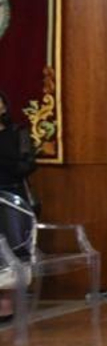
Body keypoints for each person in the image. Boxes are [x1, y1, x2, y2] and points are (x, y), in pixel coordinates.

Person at [0, 91, 37, 324]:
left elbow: (27, 165)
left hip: (11, 197)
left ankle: (6, 305)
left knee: (10, 251)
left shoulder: (18, 133)